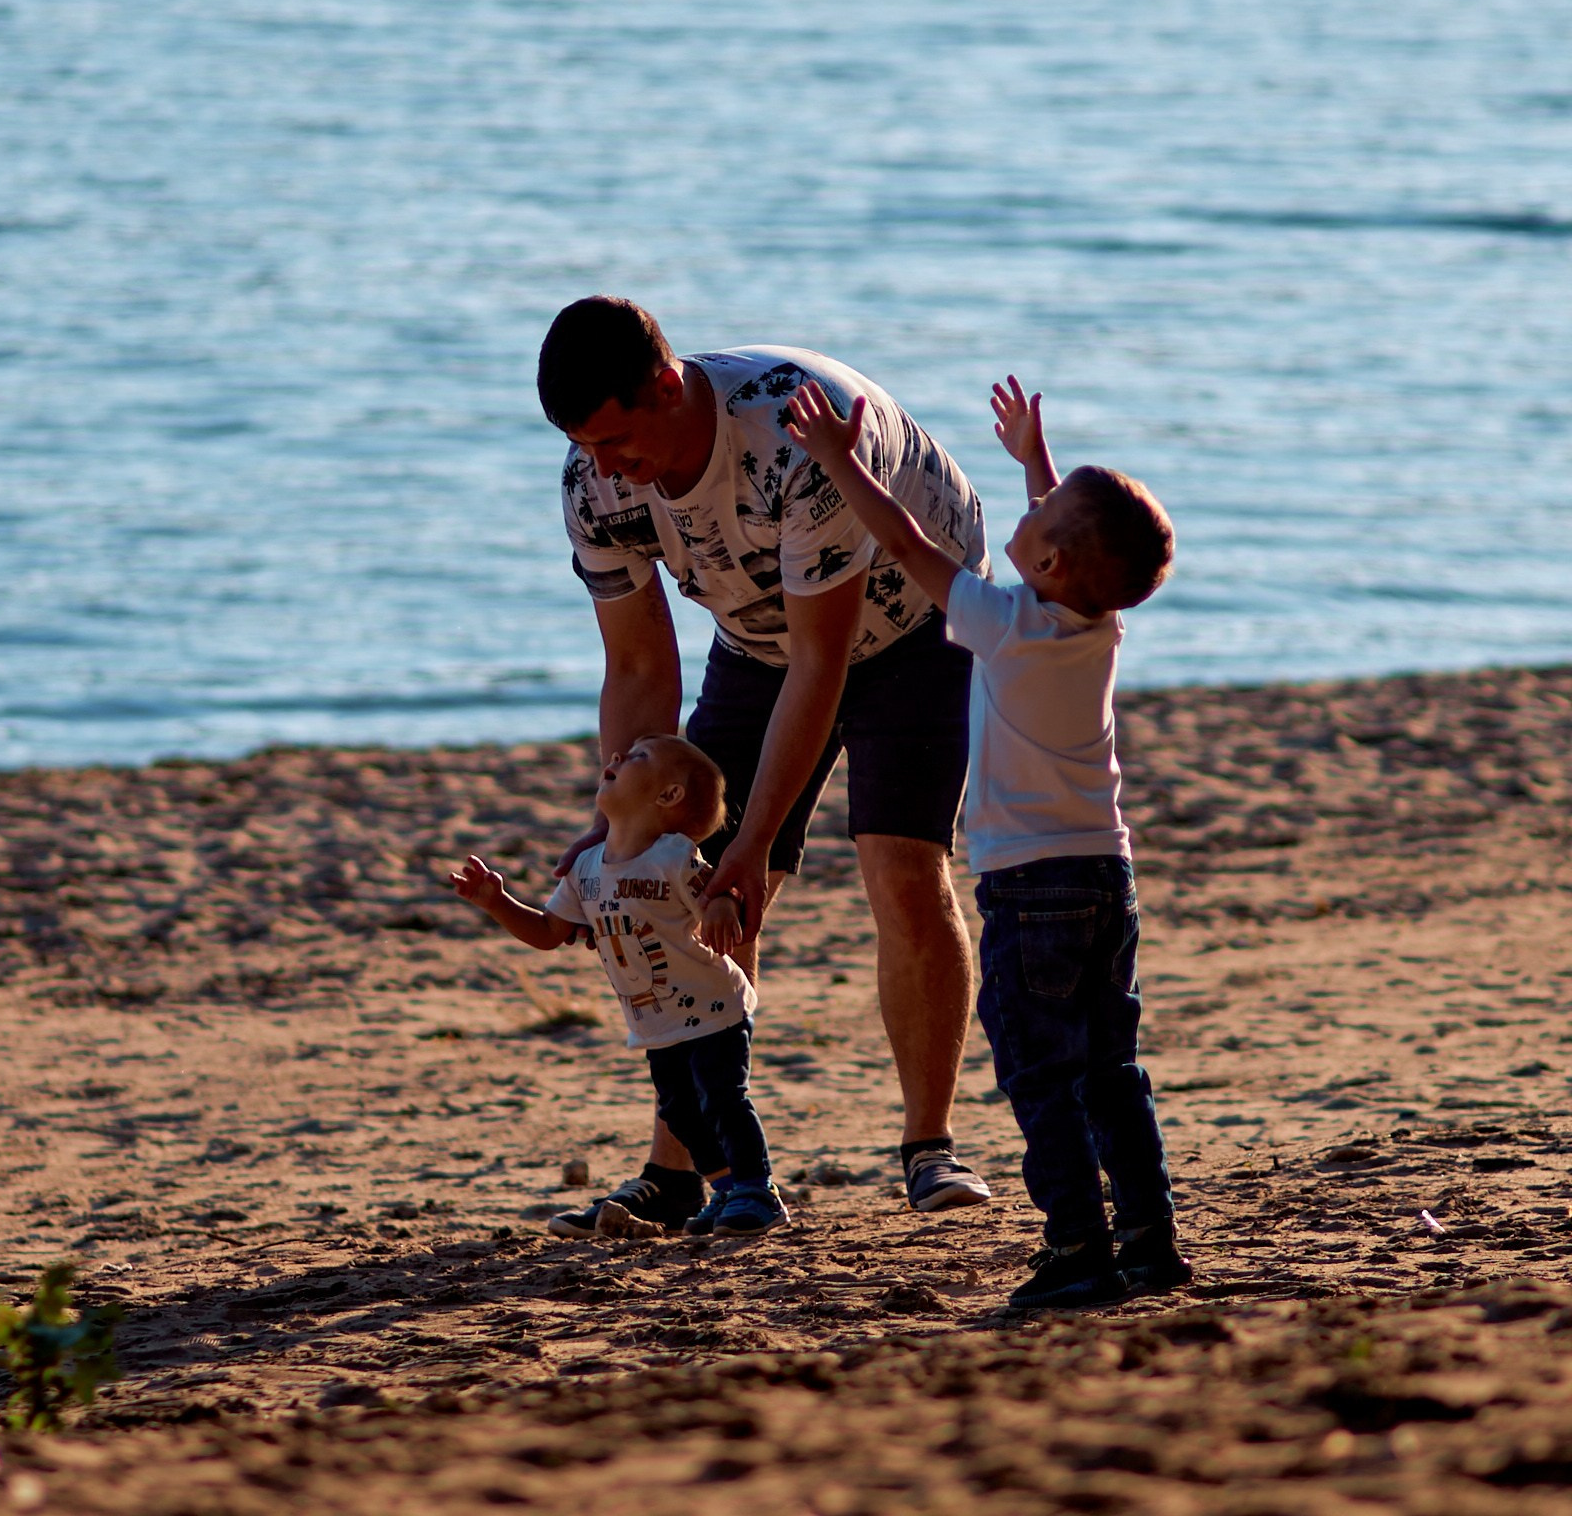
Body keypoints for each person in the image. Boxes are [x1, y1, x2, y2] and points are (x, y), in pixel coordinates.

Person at [539, 294, 992, 1233]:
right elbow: (636, 663)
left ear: (666, 387)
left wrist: (756, 839)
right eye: (586, 447)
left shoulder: (792, 430)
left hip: (918, 620)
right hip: (757, 639)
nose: (606, 467)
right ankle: (683, 1173)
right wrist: (619, 821)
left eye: (617, 441)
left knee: (901, 869)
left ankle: (929, 1149)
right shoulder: (595, 484)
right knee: (694, 885)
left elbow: (824, 663)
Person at [783, 367, 1186, 1313]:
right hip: (1105, 873)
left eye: (1040, 520)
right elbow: (1073, 542)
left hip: (1029, 886)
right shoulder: (1099, 625)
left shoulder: (1003, 625)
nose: (1028, 518)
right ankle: (1147, 1239)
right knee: (1109, 1068)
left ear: (1047, 568)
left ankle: (1078, 1250)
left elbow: (904, 541)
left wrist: (842, 461)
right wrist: (1037, 464)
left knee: (1040, 1072)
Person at [450, 734, 787, 1234]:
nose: (616, 758)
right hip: (656, 1021)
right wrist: (497, 903)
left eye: (638, 757)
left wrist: (720, 907)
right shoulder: (586, 867)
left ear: (668, 796)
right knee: (680, 1114)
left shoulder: (674, 856)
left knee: (722, 1099)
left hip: (714, 1007)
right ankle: (726, 1191)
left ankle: (758, 1189)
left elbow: (717, 893)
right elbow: (547, 932)